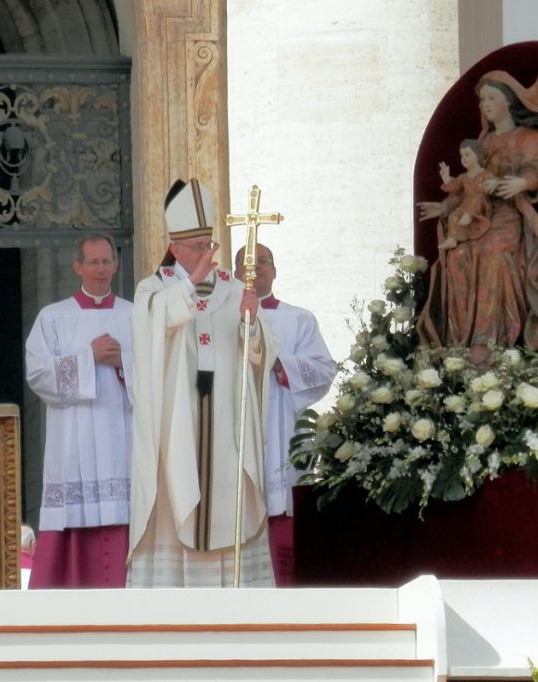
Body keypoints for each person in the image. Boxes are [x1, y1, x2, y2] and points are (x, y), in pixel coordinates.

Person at [128, 178, 278, 587]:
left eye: (208, 244)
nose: (206, 253)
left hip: (226, 421)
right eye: (196, 247)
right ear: (175, 248)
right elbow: (152, 325)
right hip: (177, 425)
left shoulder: (233, 288)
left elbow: (260, 352)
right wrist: (189, 284)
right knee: (177, 488)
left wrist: (252, 323)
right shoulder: (154, 289)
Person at [417, 71, 538, 365]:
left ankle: (492, 343)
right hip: (480, 213)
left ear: (508, 101)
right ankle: (461, 345)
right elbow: (468, 184)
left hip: (513, 215)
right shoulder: (483, 142)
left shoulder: (529, 138)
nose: (485, 104)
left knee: (494, 253)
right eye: (482, 99)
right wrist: (444, 208)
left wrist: (522, 182)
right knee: (457, 257)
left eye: (492, 98)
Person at [24, 233, 133, 588]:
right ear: (77, 267)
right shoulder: (54, 317)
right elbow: (38, 375)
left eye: (106, 262)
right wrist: (89, 357)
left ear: (116, 265)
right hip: (74, 438)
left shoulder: (135, 316)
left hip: (122, 435)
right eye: (93, 262)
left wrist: (124, 362)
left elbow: (160, 373)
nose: (101, 269)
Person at [234, 243, 336, 586]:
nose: (255, 268)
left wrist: (281, 365)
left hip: (282, 429)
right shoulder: (219, 321)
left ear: (275, 271)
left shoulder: (299, 319)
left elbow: (323, 369)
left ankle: (288, 594)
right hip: (236, 430)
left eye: (263, 261)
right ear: (235, 273)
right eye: (247, 263)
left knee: (284, 523)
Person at [433, 139, 495, 250]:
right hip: (465, 205)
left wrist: (493, 185)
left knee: (477, 199)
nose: (464, 158)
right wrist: (447, 179)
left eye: (467, 154)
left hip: (481, 203)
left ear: (477, 155)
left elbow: (492, 186)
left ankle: (470, 216)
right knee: (453, 216)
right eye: (462, 155)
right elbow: (456, 188)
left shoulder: (485, 173)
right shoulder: (463, 177)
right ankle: (452, 239)